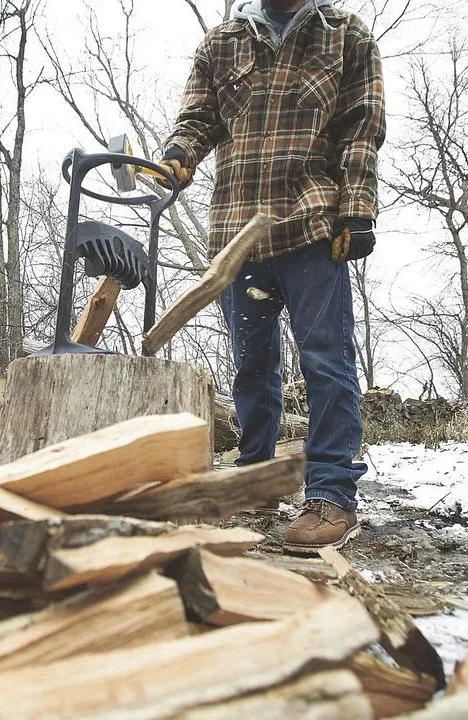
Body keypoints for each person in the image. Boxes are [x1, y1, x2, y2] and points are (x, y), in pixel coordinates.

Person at [161, 0, 386, 551]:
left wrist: (357, 209)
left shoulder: (346, 36)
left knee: (326, 361)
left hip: (312, 222)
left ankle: (331, 493)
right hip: (238, 231)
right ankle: (254, 477)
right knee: (251, 365)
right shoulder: (224, 41)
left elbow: (362, 127)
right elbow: (198, 118)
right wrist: (179, 153)